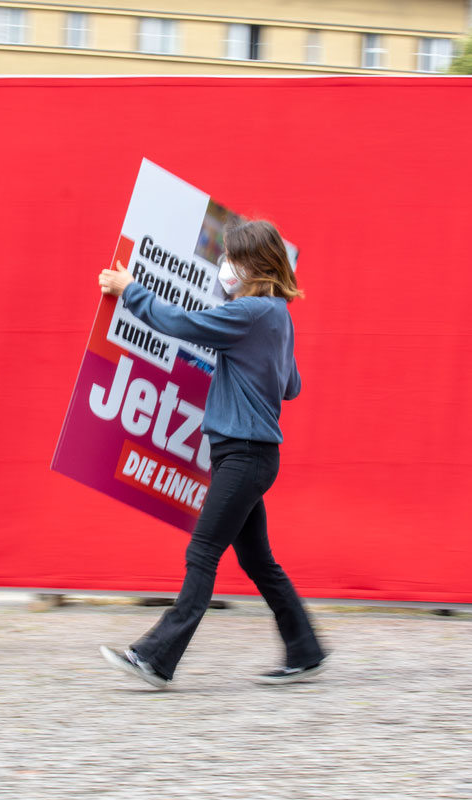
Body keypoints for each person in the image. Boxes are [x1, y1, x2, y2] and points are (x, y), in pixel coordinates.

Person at [96, 220, 327, 688]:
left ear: (255, 264)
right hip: (251, 456)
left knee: (202, 553)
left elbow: (182, 324)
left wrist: (129, 289)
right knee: (258, 561)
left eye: (234, 259)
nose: (226, 267)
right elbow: (293, 387)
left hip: (242, 455)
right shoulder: (275, 315)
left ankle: (156, 658)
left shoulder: (250, 314)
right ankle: (305, 649)